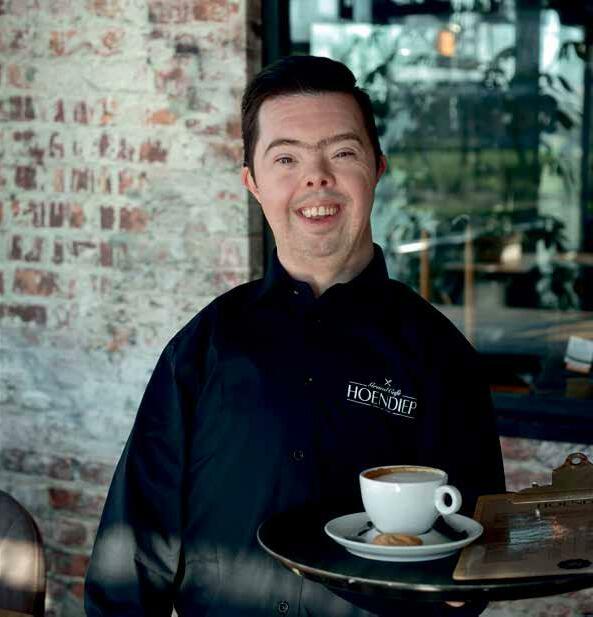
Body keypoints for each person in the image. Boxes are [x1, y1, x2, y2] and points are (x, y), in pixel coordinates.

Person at [85, 55, 506, 616]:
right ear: (252, 183)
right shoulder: (205, 347)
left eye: (343, 153)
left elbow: (473, 562)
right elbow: (130, 559)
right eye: (286, 158)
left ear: (377, 169)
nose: (316, 177)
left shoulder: (442, 355)